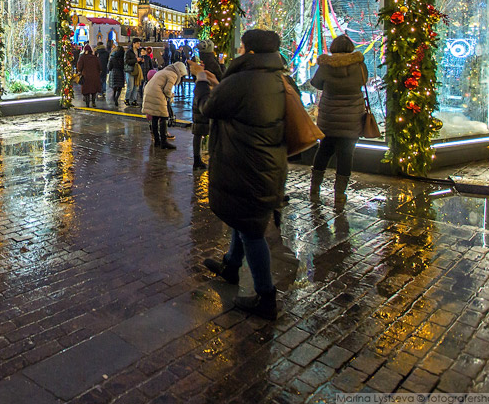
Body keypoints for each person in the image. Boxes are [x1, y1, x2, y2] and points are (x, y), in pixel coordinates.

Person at [198, 29, 288, 320]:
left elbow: (210, 107)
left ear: (249, 51)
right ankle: (231, 265)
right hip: (268, 161)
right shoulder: (277, 76)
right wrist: (221, 84)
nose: (237, 48)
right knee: (244, 216)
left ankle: (265, 296)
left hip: (245, 162)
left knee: (251, 230)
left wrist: (202, 83)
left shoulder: (243, 78)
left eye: (241, 45)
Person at [308, 34, 369, 205]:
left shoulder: (325, 66)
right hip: (352, 119)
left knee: (324, 151)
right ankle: (340, 193)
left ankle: (314, 188)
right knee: (346, 154)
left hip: (329, 117)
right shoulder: (359, 65)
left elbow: (316, 83)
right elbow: (364, 81)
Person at [142, 61, 187, 149]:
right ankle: (164, 142)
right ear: (180, 71)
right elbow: (167, 90)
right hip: (157, 94)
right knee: (163, 117)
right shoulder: (173, 75)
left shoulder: (164, 71)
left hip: (149, 92)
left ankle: (157, 141)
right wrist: (171, 95)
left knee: (155, 117)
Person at [124, 39, 143, 106]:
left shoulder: (138, 51)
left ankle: (134, 100)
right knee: (130, 86)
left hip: (136, 70)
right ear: (133, 44)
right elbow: (126, 61)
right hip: (130, 70)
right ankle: (127, 99)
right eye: (137, 43)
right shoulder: (129, 52)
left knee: (136, 86)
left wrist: (141, 60)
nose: (139, 45)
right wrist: (135, 60)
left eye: (139, 43)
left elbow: (138, 61)